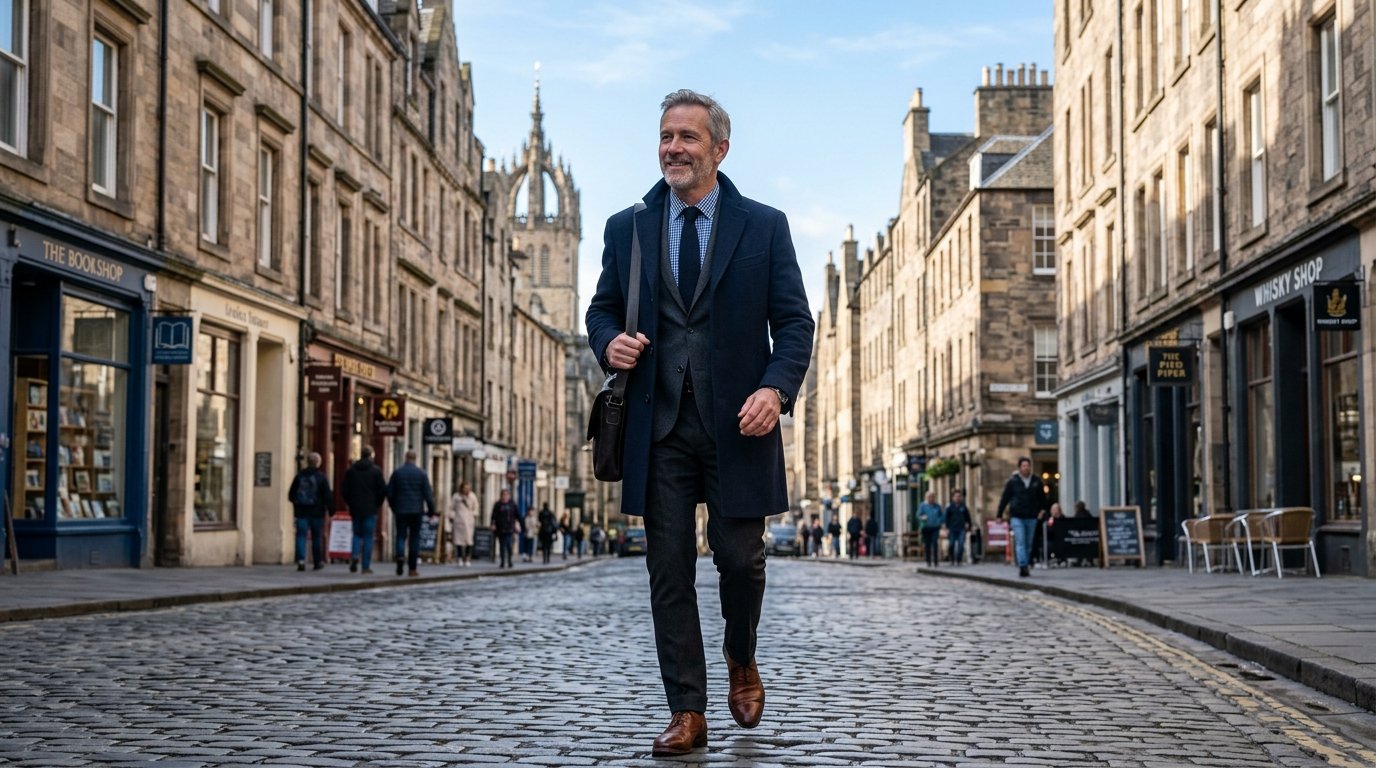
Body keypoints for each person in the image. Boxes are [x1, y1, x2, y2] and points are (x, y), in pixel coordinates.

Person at [584, 88, 814, 756]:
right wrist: (608, 343)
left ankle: (741, 656)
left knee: (741, 562)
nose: (673, 149)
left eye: (687, 137)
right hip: (660, 430)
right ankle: (688, 709)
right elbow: (602, 310)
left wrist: (776, 389)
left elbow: (795, 322)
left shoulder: (764, 226)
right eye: (665, 136)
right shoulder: (627, 227)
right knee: (668, 570)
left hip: (740, 423)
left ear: (720, 148)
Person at [996, 456, 1049, 578]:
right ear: (1019, 468)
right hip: (1017, 516)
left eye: (1028, 466)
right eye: (1024, 466)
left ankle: (1025, 562)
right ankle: (1023, 566)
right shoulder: (1013, 482)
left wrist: (1042, 511)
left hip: (1032, 516)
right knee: (1020, 541)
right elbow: (1005, 498)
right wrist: (999, 514)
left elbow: (1043, 499)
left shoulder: (1036, 481)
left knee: (1028, 543)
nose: (1026, 468)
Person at [386, 449, 435, 577]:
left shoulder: (397, 473)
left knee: (401, 535)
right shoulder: (421, 474)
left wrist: (393, 507)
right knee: (414, 538)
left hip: (401, 510)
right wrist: (431, 511)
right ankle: (412, 568)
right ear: (415, 459)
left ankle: (400, 557)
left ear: (405, 458)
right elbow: (428, 495)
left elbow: (389, 493)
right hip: (416, 511)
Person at [341, 446, 386, 574]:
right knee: (368, 537)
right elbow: (382, 490)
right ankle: (365, 566)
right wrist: (377, 503)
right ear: (371, 455)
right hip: (370, 508)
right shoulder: (376, 471)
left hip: (356, 507)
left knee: (356, 534)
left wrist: (350, 502)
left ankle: (354, 556)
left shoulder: (351, 471)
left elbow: (344, 490)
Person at [288, 452, 334, 571]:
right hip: (317, 512)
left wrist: (297, 503)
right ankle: (317, 561)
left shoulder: (299, 476)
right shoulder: (321, 477)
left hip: (301, 511)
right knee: (316, 537)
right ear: (318, 463)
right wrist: (331, 510)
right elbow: (327, 496)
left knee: (301, 536)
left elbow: (291, 495)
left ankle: (301, 560)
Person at [448, 481, 479, 567]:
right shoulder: (456, 496)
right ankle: (460, 557)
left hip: (469, 521)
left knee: (469, 541)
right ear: (461, 488)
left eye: (468, 488)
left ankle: (468, 557)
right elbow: (451, 507)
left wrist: (474, 515)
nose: (466, 490)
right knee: (458, 541)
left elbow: (476, 507)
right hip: (459, 521)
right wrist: (452, 516)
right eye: (465, 488)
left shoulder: (472, 496)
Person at [491, 489, 518, 568]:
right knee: (502, 545)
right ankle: (502, 561)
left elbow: (517, 515)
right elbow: (494, 515)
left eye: (506, 495)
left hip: (510, 528)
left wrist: (519, 525)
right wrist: (493, 524)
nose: (505, 496)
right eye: (503, 495)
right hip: (500, 528)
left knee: (509, 545)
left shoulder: (512, 504)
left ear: (509, 496)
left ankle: (509, 561)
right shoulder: (498, 504)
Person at [917, 491, 945, 568]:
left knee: (935, 543)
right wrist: (922, 517)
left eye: (932, 497)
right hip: (926, 527)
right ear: (926, 498)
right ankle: (928, 561)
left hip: (935, 527)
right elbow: (918, 515)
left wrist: (941, 522)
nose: (931, 498)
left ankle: (936, 561)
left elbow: (941, 516)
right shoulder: (923, 506)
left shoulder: (937, 506)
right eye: (929, 497)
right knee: (927, 544)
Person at [944, 489, 971, 566]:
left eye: (959, 496)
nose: (958, 498)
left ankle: (959, 560)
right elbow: (946, 517)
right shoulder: (949, 507)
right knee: (951, 544)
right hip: (952, 528)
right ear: (953, 498)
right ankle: (952, 558)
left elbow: (968, 517)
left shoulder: (963, 506)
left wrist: (968, 524)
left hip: (961, 528)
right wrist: (946, 527)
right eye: (956, 496)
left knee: (961, 544)